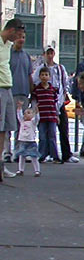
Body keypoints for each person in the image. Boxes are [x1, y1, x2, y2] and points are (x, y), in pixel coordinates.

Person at [33, 46, 78, 164]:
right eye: (47, 53)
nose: (49, 55)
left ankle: (66, 154)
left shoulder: (60, 68)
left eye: (51, 52)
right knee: (44, 131)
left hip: (58, 102)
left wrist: (62, 97)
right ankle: (44, 153)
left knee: (63, 129)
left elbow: (65, 83)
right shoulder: (40, 69)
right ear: (44, 54)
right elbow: (35, 83)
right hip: (44, 104)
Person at [0, 18, 26, 181]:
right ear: (11, 31)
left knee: (6, 127)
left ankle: (1, 163)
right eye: (17, 35)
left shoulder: (8, 46)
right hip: (0, 86)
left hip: (8, 86)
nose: (18, 38)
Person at [3, 31, 33, 163]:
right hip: (10, 92)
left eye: (23, 38)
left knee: (22, 124)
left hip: (24, 93)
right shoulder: (8, 54)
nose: (21, 40)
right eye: (19, 37)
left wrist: (31, 91)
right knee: (8, 123)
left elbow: (29, 75)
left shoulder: (26, 56)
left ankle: (18, 152)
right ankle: (6, 152)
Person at [31, 67, 61, 164]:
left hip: (51, 116)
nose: (44, 77)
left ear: (49, 77)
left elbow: (55, 104)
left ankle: (54, 156)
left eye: (46, 75)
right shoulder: (37, 90)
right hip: (41, 117)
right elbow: (34, 103)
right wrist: (34, 113)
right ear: (39, 76)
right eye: (42, 75)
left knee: (52, 136)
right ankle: (41, 155)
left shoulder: (53, 90)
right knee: (42, 136)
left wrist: (57, 115)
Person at [14, 102, 40, 177]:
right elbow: (19, 116)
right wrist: (19, 108)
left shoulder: (33, 123)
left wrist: (37, 110)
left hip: (31, 142)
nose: (25, 114)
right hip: (23, 141)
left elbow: (37, 118)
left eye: (28, 113)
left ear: (33, 115)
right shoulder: (22, 121)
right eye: (25, 113)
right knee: (22, 156)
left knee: (34, 157)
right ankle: (20, 170)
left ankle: (37, 170)